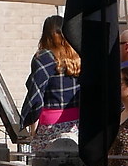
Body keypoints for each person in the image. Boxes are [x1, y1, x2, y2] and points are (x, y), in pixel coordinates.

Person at [21, 16, 82, 152]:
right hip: (76, 123)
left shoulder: (43, 57)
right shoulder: (78, 57)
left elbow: (36, 93)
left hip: (50, 123)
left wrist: (32, 126)